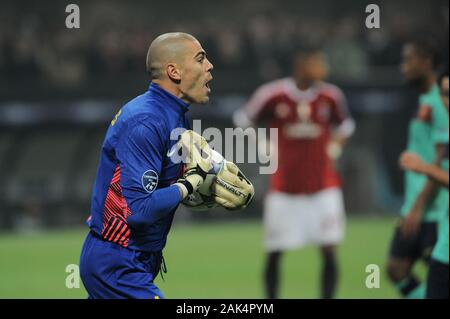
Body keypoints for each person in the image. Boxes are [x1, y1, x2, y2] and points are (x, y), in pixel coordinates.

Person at [79, 32, 215, 299]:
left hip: (137, 258)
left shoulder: (175, 116)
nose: (209, 65)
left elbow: (166, 186)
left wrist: (206, 186)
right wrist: (190, 183)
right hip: (118, 261)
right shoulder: (146, 120)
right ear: (174, 71)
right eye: (200, 59)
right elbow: (139, 209)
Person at [233, 48, 355, 299]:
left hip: (323, 187)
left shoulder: (330, 96)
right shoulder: (274, 94)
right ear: (301, 64)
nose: (323, 68)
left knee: (329, 250)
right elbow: (243, 117)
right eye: (317, 63)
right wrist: (263, 145)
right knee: (275, 251)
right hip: (285, 189)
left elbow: (346, 125)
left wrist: (335, 146)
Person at [386, 39, 449, 299]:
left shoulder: (440, 101)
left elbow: (442, 158)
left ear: (426, 62)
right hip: (416, 205)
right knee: (396, 269)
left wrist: (418, 206)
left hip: (433, 209)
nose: (403, 67)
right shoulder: (426, 99)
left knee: (437, 272)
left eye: (408, 60)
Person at [399, 68, 449, 299]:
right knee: (396, 268)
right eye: (445, 94)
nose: (447, 101)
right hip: (445, 249)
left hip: (434, 217)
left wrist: (424, 167)